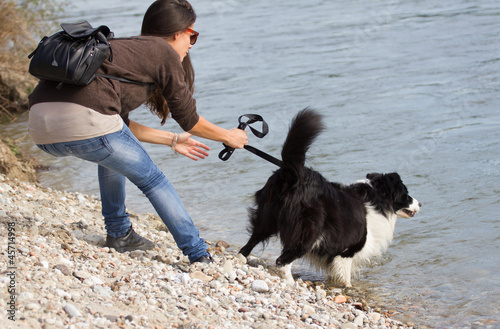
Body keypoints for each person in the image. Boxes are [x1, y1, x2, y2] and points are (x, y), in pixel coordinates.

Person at [27, 0, 248, 264]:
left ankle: (120, 233)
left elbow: (120, 126)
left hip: (39, 129)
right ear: (177, 32)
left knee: (110, 157)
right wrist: (228, 136)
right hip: (88, 123)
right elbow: (189, 120)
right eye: (193, 35)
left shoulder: (120, 50)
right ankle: (198, 254)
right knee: (153, 180)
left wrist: (172, 140)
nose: (191, 45)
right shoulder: (161, 51)